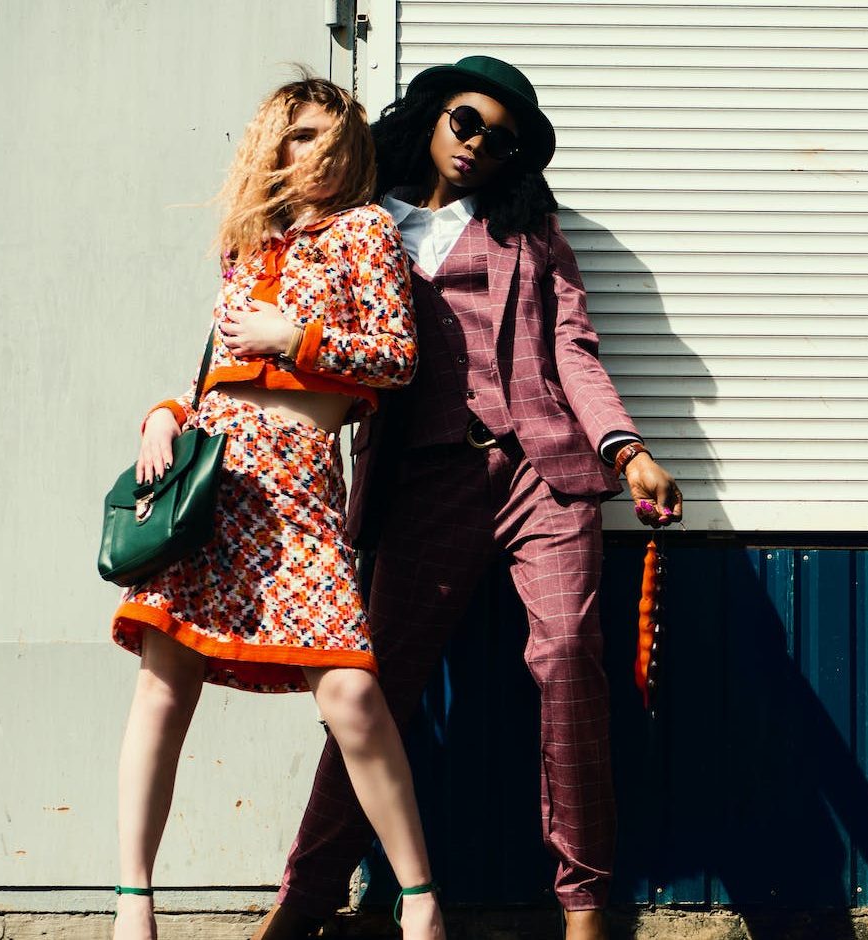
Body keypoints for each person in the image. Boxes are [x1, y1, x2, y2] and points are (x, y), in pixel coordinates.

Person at [253, 57, 682, 940]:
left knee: (568, 663)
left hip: (545, 472)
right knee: (373, 691)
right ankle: (306, 895)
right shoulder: (361, 226)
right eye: (466, 121)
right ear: (433, 117)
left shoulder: (530, 234)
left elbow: (574, 350)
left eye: (502, 138)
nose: (480, 143)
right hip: (424, 478)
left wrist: (627, 449)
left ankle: (587, 905)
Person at [111, 78, 444, 940]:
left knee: (353, 698)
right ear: (269, 146)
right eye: (297, 136)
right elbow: (209, 374)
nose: (316, 154)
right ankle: (133, 902)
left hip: (296, 492)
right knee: (162, 688)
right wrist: (163, 413)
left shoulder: (366, 231)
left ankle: (420, 902)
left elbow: (397, 358)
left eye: (331, 139)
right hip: (214, 487)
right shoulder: (247, 245)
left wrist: (292, 339)